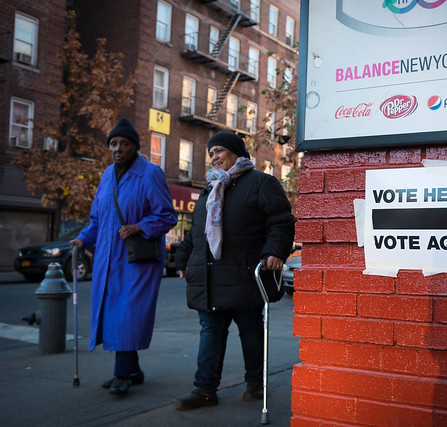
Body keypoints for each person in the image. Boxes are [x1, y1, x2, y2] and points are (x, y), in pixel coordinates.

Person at [174, 131, 295, 410]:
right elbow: (197, 232)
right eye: (211, 153)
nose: (214, 157)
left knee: (251, 332)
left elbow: (281, 220)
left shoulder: (261, 183)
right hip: (209, 276)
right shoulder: (209, 189)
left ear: (236, 153)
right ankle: (204, 390)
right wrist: (182, 260)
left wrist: (275, 251)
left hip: (244, 275)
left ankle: (255, 383)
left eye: (219, 151)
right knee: (210, 334)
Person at [70, 118, 177, 396]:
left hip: (137, 258)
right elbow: (97, 218)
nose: (118, 148)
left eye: (124, 143)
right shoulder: (107, 175)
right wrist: (82, 238)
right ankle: (133, 370)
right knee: (113, 312)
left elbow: (167, 216)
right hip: (107, 258)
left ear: (134, 147)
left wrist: (141, 226)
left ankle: (121, 375)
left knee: (128, 314)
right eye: (114, 143)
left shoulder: (150, 173)